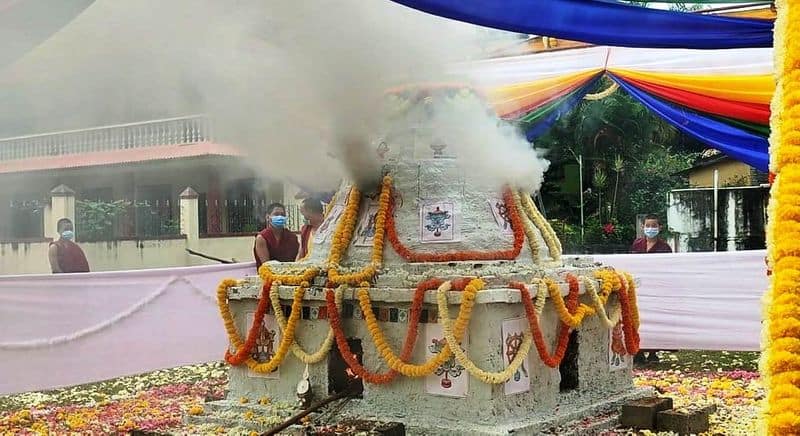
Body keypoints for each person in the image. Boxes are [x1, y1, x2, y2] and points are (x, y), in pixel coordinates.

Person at [630, 214, 672, 365]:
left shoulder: (665, 248)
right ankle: (638, 351)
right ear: (643, 227)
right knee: (638, 319)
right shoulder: (637, 244)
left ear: (660, 228)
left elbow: (667, 270)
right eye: (648, 225)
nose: (650, 229)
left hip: (656, 290)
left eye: (654, 226)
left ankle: (653, 352)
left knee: (655, 319)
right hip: (639, 289)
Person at [254, 202, 299, 268]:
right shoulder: (262, 238)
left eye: (282, 215)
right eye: (276, 214)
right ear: (267, 217)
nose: (280, 217)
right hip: (269, 275)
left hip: (291, 274)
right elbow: (267, 265)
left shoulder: (292, 237)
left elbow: (297, 258)